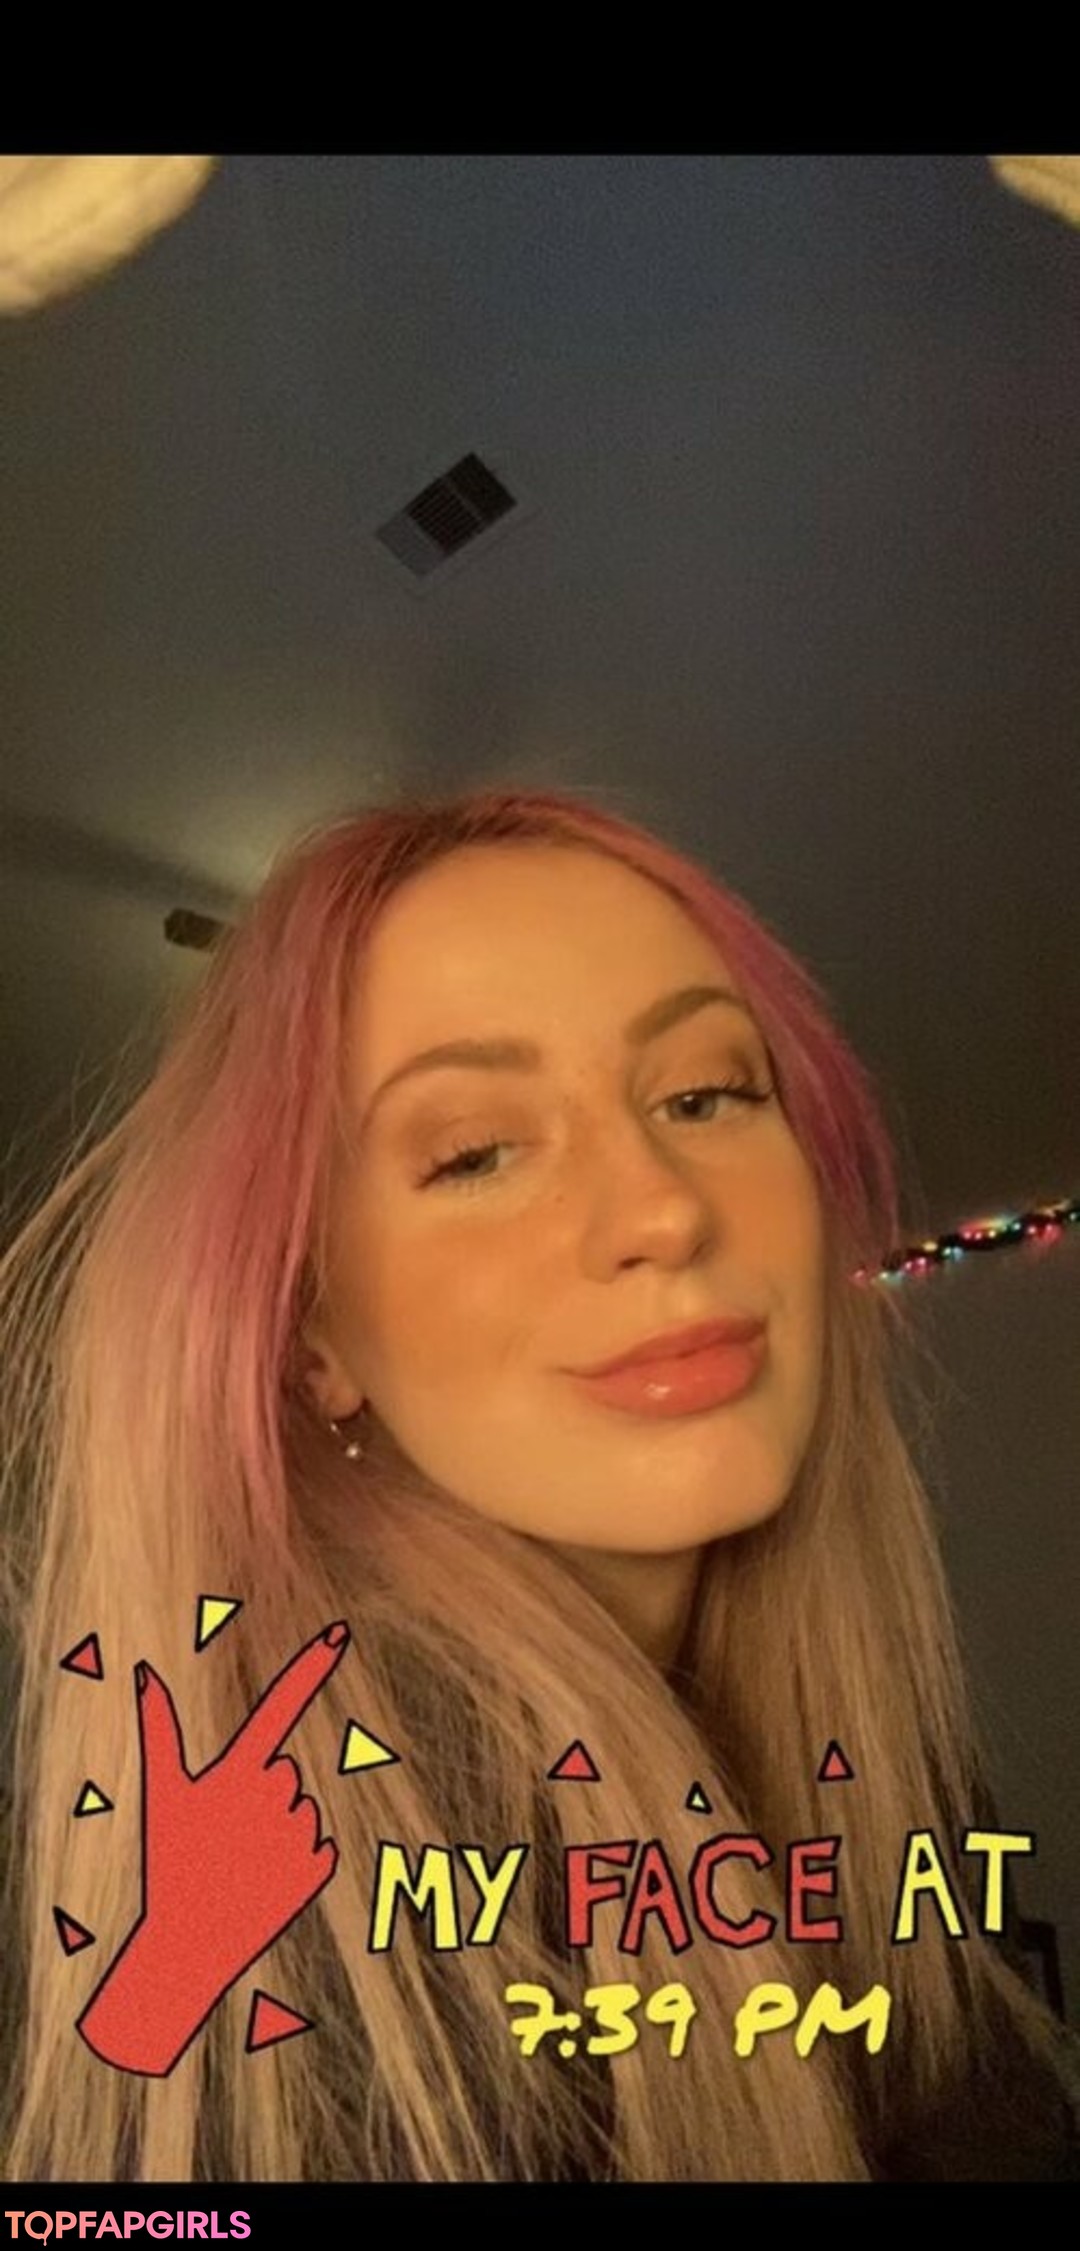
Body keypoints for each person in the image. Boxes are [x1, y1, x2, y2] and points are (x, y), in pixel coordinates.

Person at [0, 782, 1076, 2184]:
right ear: (316, 1341)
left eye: (706, 1093)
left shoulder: (887, 1763)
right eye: (475, 1153)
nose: (665, 1208)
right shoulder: (348, 1890)